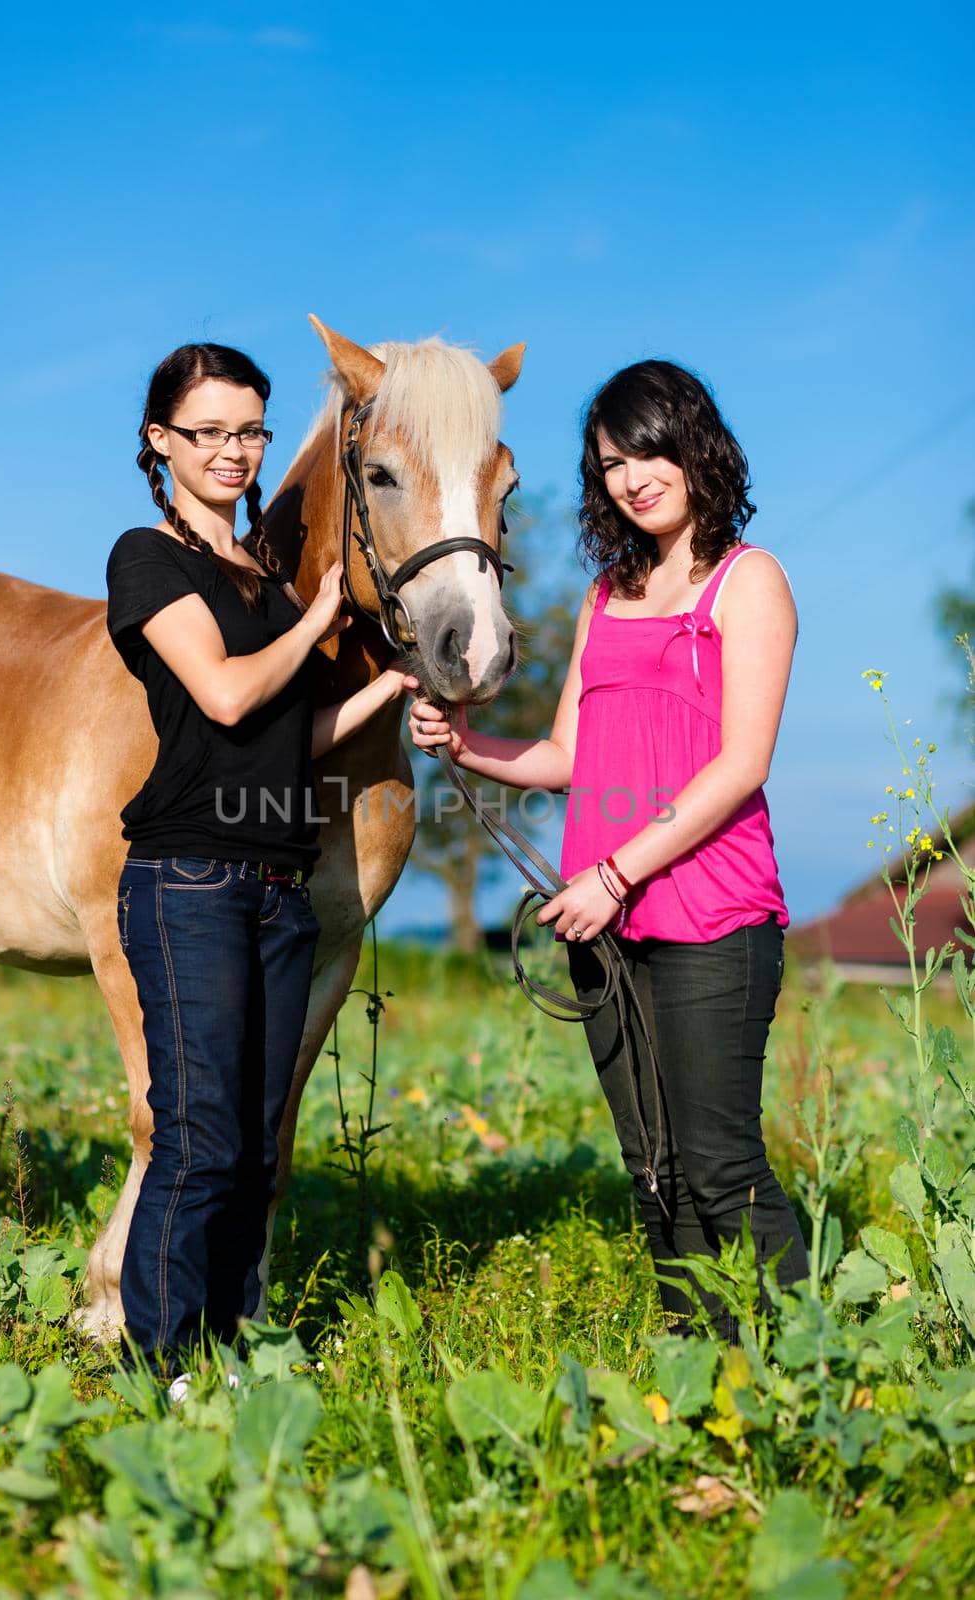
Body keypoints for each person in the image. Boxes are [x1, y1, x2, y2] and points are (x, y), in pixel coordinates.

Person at [403, 359, 809, 1342]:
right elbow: (564, 755)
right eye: (611, 463)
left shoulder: (746, 582)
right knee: (652, 1164)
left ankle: (803, 1370)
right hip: (602, 919)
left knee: (717, 1162)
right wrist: (466, 747)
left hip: (708, 911)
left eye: (648, 451)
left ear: (693, 444)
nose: (633, 477)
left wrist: (614, 871)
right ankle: (694, 1362)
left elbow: (739, 763)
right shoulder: (605, 594)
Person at [106, 342, 405, 1385]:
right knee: (197, 1137)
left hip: (277, 893)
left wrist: (392, 689)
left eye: (249, 431)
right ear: (161, 442)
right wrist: (322, 618)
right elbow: (229, 698)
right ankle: (161, 1361)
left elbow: (289, 738)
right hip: (186, 879)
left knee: (258, 1144)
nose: (232, 453)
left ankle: (229, 1348)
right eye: (208, 433)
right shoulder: (148, 558)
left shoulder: (262, 580)